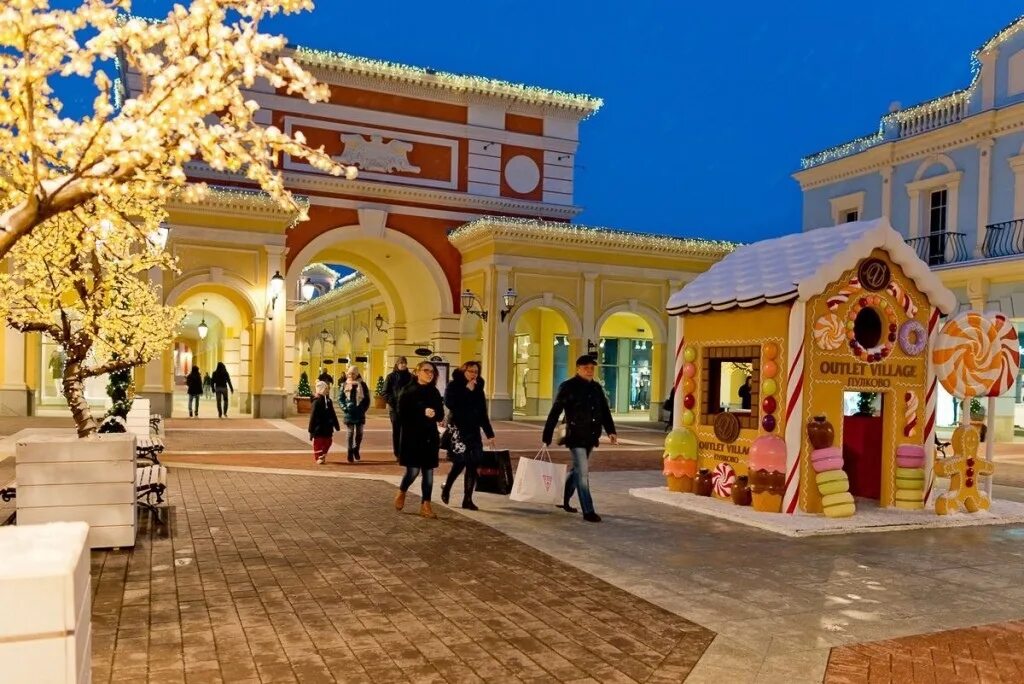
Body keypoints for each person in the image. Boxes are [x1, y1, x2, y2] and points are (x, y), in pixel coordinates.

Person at [542, 355, 618, 523]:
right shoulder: (568, 387)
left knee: (577, 471)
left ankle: (562, 498)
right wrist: (547, 435)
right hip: (575, 436)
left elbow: (605, 411)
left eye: (592, 368)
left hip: (591, 436)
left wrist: (611, 431)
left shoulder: (597, 388)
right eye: (586, 368)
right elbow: (555, 412)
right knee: (583, 473)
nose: (590, 371)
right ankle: (588, 510)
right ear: (578, 369)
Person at [440, 361, 496, 511]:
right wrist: (466, 391)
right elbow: (450, 403)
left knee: (473, 464)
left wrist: (490, 434)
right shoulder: (454, 385)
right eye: (470, 371)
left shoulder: (479, 388)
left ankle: (468, 499)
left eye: (476, 372)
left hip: (473, 430)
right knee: (460, 463)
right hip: (457, 430)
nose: (473, 374)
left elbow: (482, 413)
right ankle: (447, 488)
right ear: (463, 371)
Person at [394, 361, 444, 519]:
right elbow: (401, 415)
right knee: (413, 471)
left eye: (432, 371)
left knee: (428, 472)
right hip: (412, 437)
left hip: (430, 437)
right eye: (426, 370)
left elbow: (441, 414)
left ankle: (426, 505)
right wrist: (422, 411)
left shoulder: (434, 391)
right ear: (417, 372)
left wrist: (434, 414)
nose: (430, 374)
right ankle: (402, 491)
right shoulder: (407, 391)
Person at [338, 365, 370, 463]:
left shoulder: (362, 385)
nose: (351, 375)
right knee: (350, 433)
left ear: (357, 374)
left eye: (353, 373)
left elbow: (367, 399)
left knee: (359, 433)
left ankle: (356, 449)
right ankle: (349, 452)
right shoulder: (344, 385)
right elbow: (341, 399)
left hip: (360, 412)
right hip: (349, 412)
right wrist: (344, 408)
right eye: (349, 373)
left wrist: (363, 409)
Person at [382, 356, 413, 459]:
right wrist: (393, 402)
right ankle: (398, 453)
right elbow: (385, 392)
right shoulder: (391, 377)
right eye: (401, 363)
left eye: (405, 363)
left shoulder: (410, 377)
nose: (403, 365)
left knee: (407, 431)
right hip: (394, 409)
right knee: (397, 431)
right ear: (397, 364)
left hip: (408, 409)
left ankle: (405, 451)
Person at [308, 380, 340, 464]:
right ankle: (319, 457)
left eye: (328, 389)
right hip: (318, 428)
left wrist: (336, 425)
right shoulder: (316, 401)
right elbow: (313, 416)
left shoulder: (329, 401)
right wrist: (311, 430)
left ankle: (323, 454)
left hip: (328, 427)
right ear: (321, 389)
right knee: (318, 443)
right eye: (326, 389)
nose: (328, 390)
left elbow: (333, 413)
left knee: (328, 441)